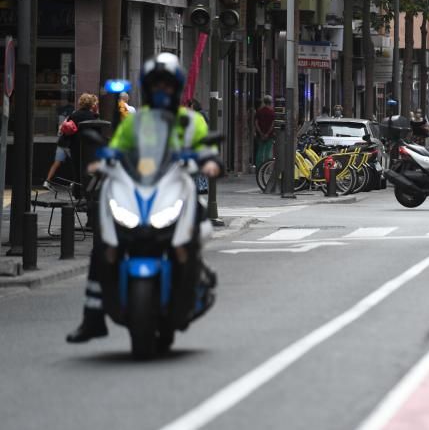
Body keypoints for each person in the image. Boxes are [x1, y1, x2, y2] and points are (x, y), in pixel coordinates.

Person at [66, 53, 221, 343]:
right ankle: (93, 318)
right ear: (149, 88)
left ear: (176, 87)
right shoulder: (136, 123)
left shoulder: (190, 121)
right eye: (157, 85)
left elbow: (204, 148)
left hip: (176, 192)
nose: (162, 90)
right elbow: (119, 149)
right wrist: (104, 161)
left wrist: (208, 160)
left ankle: (196, 277)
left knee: (198, 230)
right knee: (104, 244)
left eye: (167, 85)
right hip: (141, 193)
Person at [255, 96, 275, 168]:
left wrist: (261, 133)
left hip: (260, 135)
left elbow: (256, 123)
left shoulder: (259, 111)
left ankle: (258, 167)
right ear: (270, 103)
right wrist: (267, 134)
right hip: (269, 136)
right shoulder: (272, 112)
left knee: (260, 151)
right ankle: (266, 168)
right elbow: (272, 125)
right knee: (268, 152)